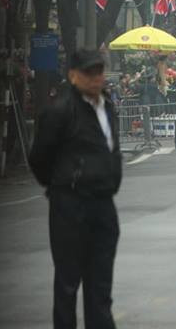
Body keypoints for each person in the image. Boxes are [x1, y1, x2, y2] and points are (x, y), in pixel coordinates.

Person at [28, 49, 122, 329]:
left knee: (100, 283)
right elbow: (39, 158)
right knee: (68, 282)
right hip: (69, 204)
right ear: (73, 75)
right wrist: (62, 184)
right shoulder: (60, 111)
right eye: (89, 73)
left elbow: (112, 150)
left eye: (99, 72)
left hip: (103, 203)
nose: (96, 79)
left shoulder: (107, 107)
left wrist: (111, 180)